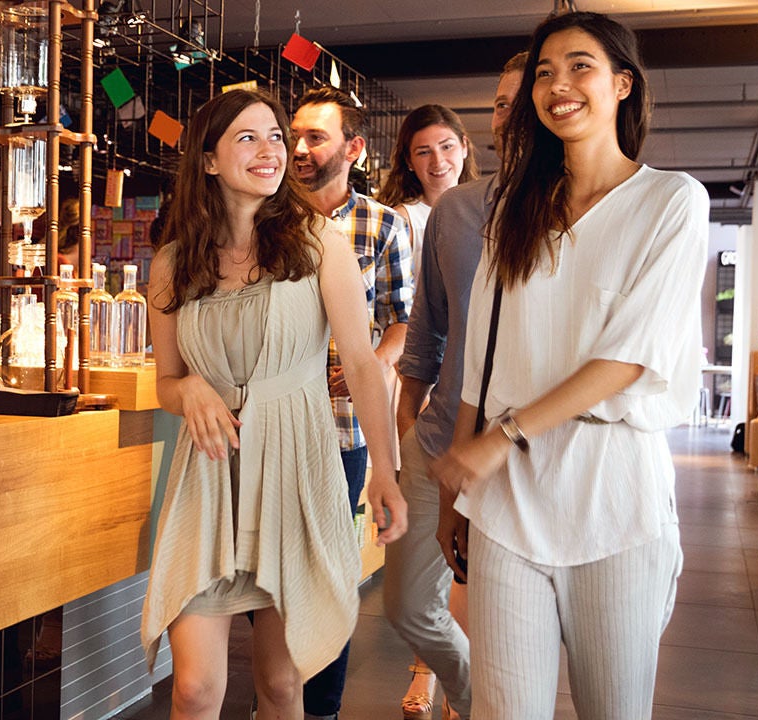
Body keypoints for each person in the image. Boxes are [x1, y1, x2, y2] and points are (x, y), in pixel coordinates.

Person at [432, 12, 705, 718]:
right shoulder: (515, 213)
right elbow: (479, 359)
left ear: (622, 83)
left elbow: (629, 357)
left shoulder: (672, 202)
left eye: (580, 66)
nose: (559, 85)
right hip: (506, 502)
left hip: (614, 498)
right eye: (545, 73)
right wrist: (455, 493)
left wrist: (503, 436)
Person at [140, 88, 407, 720]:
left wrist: (386, 474)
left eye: (275, 138)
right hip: (208, 482)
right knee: (196, 689)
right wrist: (191, 389)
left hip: (295, 472)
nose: (270, 151)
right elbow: (167, 382)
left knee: (282, 685)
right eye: (247, 138)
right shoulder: (173, 263)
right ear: (207, 161)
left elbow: (365, 367)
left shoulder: (318, 245)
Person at [384, 52, 527, 720]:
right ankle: (473, 694)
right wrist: (409, 428)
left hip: (521, 453)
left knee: (498, 614)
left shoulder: (589, 213)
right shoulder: (454, 214)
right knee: (407, 605)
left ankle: (482, 704)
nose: (512, 113)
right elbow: (426, 331)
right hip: (439, 440)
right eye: (499, 103)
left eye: (446, 146)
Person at [288, 84, 415, 720]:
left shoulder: (383, 224)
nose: (299, 149)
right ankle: (274, 698)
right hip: (269, 427)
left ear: (354, 148)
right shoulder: (264, 215)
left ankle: (321, 710)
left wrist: (374, 363)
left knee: (331, 578)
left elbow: (403, 319)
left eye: (316, 136)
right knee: (272, 578)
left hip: (342, 432)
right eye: (296, 136)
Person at [375, 105, 478, 281]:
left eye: (446, 147)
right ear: (409, 161)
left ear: (464, 147)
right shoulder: (403, 220)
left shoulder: (484, 210)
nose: (437, 161)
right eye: (424, 152)